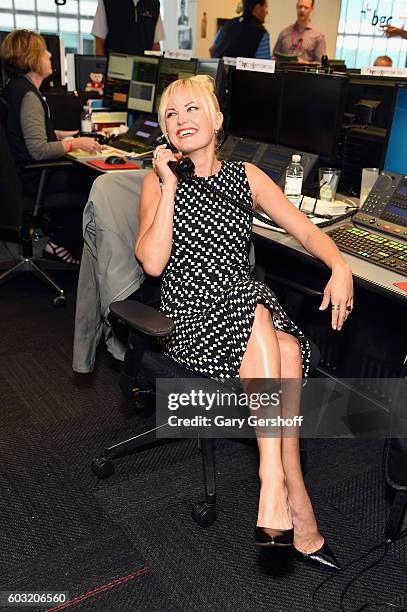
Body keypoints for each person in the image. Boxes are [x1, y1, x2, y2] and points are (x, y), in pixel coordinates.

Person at [135, 74, 353, 570]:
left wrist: (339, 266)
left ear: (217, 120)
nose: (181, 120)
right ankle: (281, 490)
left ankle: (285, 493)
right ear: (165, 134)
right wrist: (169, 185)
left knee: (289, 348)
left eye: (192, 109)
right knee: (258, 308)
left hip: (242, 308)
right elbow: (150, 262)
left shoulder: (247, 177)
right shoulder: (156, 182)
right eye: (171, 114)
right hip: (190, 316)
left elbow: (304, 230)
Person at [0, 30, 102, 264]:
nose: (49, 55)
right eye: (44, 51)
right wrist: (75, 143)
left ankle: (58, 239)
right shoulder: (29, 97)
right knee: (93, 184)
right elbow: (37, 149)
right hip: (34, 177)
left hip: (17, 176)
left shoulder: (13, 89)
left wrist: (62, 135)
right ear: (32, 58)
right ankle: (60, 242)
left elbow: (22, 132)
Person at [92, 0, 165, 56]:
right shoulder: (107, 2)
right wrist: (101, 72)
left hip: (142, 70)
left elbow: (155, 45)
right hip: (114, 70)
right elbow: (99, 42)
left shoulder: (153, 3)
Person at [273, 0, 326, 64]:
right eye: (300, 6)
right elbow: (274, 57)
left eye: (306, 7)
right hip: (285, 72)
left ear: (312, 9)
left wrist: (305, 63)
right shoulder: (284, 33)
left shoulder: (318, 36)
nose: (302, 10)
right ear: (296, 7)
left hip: (305, 73)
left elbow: (320, 64)